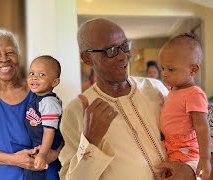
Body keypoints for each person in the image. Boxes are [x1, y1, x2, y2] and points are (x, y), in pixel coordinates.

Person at [59, 18, 197, 180]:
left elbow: (191, 137)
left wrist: (191, 170)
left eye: (124, 46)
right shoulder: (77, 111)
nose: (123, 56)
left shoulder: (154, 89)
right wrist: (90, 141)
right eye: (110, 50)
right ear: (87, 58)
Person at [0, 29, 61, 180]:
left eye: (10, 52)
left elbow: (59, 133)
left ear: (19, 56)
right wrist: (14, 159)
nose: (4, 59)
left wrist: (54, 152)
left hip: (40, 174)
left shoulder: (40, 92)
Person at [158, 33, 211, 179]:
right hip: (171, 147)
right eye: (163, 69)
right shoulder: (174, 90)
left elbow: (202, 127)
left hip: (187, 151)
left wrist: (205, 158)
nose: (164, 74)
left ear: (193, 70)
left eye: (171, 69)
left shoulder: (194, 94)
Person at [24, 55, 62, 180]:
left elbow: (49, 132)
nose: (34, 77)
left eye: (42, 75)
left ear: (54, 82)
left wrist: (43, 154)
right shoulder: (36, 98)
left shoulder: (49, 102)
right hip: (38, 149)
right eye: (32, 73)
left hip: (46, 153)